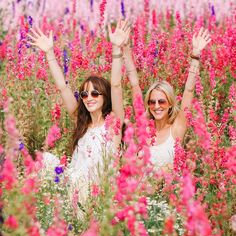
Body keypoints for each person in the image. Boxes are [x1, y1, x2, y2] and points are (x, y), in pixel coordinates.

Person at [27, 20, 130, 205]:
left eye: (95, 93)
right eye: (84, 94)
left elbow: (116, 85)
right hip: (73, 189)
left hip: (97, 193)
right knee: (44, 160)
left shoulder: (113, 122)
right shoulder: (82, 122)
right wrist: (49, 53)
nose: (88, 97)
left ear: (105, 96)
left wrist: (116, 49)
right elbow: (62, 88)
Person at [122, 27, 211, 169]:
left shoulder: (176, 129)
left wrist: (195, 55)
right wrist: (125, 48)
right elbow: (134, 84)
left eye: (161, 101)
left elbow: (189, 90)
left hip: (165, 190)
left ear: (170, 103)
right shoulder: (144, 127)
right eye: (152, 102)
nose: (156, 106)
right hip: (141, 189)